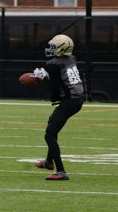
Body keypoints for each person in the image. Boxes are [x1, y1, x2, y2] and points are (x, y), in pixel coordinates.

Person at [31, 34, 84, 180]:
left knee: (49, 134)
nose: (51, 49)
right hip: (77, 98)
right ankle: (48, 161)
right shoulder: (71, 58)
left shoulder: (53, 64)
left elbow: (54, 89)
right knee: (52, 123)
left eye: (54, 46)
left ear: (62, 48)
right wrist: (47, 75)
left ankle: (61, 171)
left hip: (70, 101)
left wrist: (44, 77)